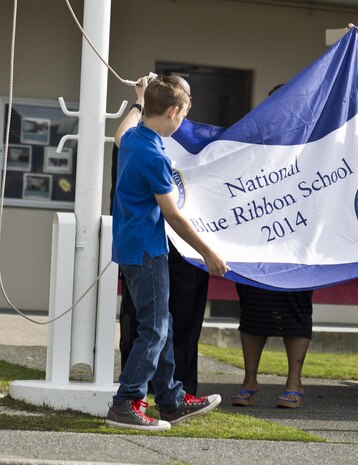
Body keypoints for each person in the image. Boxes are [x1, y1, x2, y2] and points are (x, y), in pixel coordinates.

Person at [105, 75, 228, 431]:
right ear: (173, 111)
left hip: (132, 247)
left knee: (162, 324)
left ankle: (172, 401)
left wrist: (140, 99)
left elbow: (120, 132)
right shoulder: (153, 154)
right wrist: (208, 252)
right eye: (183, 115)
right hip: (147, 250)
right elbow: (173, 214)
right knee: (155, 329)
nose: (183, 123)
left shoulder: (134, 139)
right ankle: (125, 404)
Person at [230, 83, 314, 410]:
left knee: (297, 312)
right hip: (255, 243)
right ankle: (250, 379)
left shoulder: (314, 145)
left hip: (298, 244)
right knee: (253, 312)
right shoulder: (251, 144)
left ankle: (295, 381)